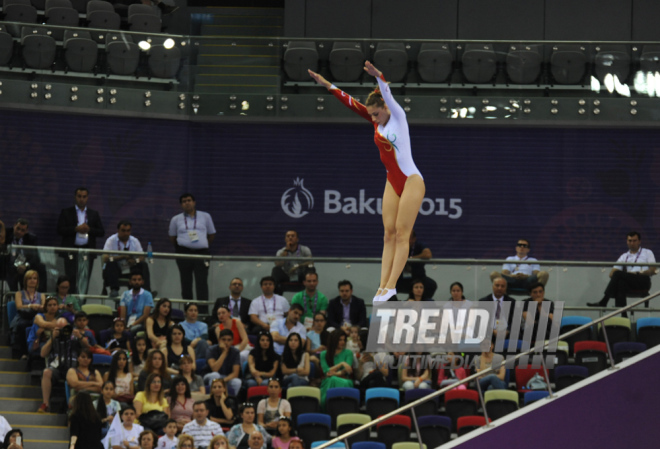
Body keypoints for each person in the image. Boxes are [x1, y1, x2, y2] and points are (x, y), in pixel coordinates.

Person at [309, 62, 425, 303]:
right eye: (371, 115)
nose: (373, 118)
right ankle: (382, 286)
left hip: (412, 180)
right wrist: (328, 85)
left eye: (377, 113)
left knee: (403, 234)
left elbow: (388, 94)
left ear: (385, 107)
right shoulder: (376, 119)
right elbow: (351, 103)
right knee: (388, 234)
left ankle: (392, 285)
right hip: (392, 180)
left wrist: (379, 76)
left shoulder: (398, 117)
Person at [588, 231, 657, 311]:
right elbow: (611, 274)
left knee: (618, 275)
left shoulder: (647, 252)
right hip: (630, 281)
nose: (632, 243)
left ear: (639, 241)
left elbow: (653, 270)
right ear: (627, 242)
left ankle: (604, 301)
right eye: (630, 241)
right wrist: (628, 275)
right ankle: (623, 317)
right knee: (620, 283)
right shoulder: (624, 256)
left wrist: (638, 273)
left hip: (643, 280)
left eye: (634, 241)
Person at [57, 187, 105, 294]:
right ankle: (70, 303)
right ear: (75, 197)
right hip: (71, 250)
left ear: (87, 198)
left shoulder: (93, 214)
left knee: (84, 279)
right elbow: (60, 230)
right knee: (70, 278)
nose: (81, 199)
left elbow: (101, 232)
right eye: (79, 196)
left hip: (87, 251)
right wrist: (75, 229)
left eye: (84, 197)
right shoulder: (66, 212)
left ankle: (81, 306)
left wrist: (89, 229)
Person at [169, 193, 216, 302]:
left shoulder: (205, 216)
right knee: (186, 282)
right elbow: (172, 237)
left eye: (189, 200)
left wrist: (202, 244)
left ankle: (203, 313)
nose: (187, 203)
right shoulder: (175, 219)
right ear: (181, 205)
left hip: (201, 253)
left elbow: (212, 234)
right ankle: (188, 311)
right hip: (183, 253)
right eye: (184, 201)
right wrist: (182, 246)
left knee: (202, 282)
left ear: (194, 202)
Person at [38, 324, 81, 413]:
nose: (63, 331)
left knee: (73, 373)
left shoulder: (75, 337)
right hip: (56, 368)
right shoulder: (53, 338)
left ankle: (72, 405)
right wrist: (52, 338)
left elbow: (89, 348)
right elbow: (42, 354)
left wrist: (80, 337)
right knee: (46, 372)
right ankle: (45, 404)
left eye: (65, 328)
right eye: (60, 328)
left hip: (72, 367)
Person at [102, 220, 151, 297]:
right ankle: (114, 290)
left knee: (143, 264)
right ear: (118, 230)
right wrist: (122, 256)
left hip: (131, 268)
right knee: (111, 262)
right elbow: (105, 258)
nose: (126, 233)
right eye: (123, 231)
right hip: (116, 269)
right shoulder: (111, 240)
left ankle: (147, 291)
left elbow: (142, 258)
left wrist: (135, 261)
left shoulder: (134, 241)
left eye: (128, 231)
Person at [11, 270, 47, 358]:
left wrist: (40, 307)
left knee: (39, 325)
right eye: (30, 278)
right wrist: (31, 305)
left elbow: (45, 307)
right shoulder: (19, 293)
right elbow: (19, 306)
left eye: (34, 278)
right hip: (23, 316)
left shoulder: (41, 295)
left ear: (37, 281)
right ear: (25, 280)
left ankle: (38, 351)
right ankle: (24, 353)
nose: (32, 280)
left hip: (37, 317)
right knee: (22, 325)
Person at [4, 218, 47, 292]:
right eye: (18, 228)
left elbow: (35, 257)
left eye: (22, 230)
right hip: (9, 265)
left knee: (41, 267)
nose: (19, 232)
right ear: (14, 226)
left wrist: (26, 265)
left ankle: (39, 296)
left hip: (24, 266)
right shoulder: (6, 234)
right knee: (9, 271)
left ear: (26, 231)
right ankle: (13, 295)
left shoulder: (31, 238)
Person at [396, 231, 437, 299]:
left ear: (414, 239)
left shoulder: (419, 245)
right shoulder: (398, 245)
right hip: (402, 278)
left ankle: (421, 302)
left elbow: (428, 254)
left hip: (418, 277)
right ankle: (398, 306)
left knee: (431, 285)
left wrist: (411, 259)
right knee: (385, 287)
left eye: (408, 238)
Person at [271, 230, 313, 295]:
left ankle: (310, 295)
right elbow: (278, 264)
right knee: (276, 270)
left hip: (301, 275)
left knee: (311, 269)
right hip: (287, 275)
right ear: (285, 239)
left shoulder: (304, 249)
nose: (290, 238)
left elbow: (311, 262)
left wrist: (297, 266)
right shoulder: (281, 251)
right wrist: (286, 251)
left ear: (297, 239)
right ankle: (277, 299)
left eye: (293, 236)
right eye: (288, 236)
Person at [319, 330, 354, 405]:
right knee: (331, 380)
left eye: (344, 340)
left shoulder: (348, 353)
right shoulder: (324, 354)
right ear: (334, 340)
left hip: (344, 379)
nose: (342, 342)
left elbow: (347, 370)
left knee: (334, 379)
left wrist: (334, 374)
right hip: (328, 380)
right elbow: (326, 371)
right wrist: (341, 363)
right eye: (340, 340)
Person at [204, 329, 242, 396]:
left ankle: (230, 400)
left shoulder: (235, 352)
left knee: (237, 382)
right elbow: (214, 369)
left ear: (232, 341)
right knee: (215, 375)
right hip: (209, 375)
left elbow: (235, 373)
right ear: (219, 340)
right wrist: (224, 353)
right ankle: (212, 398)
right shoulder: (211, 350)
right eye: (223, 339)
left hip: (226, 378)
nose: (226, 342)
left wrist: (223, 381)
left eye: (229, 340)